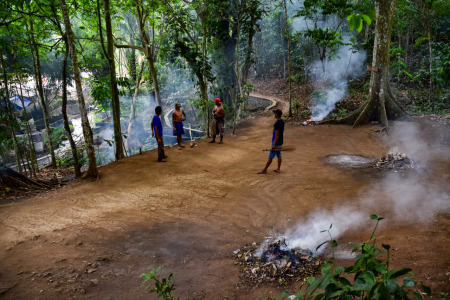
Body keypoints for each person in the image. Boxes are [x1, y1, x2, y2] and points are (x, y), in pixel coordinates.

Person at [257, 109, 285, 174]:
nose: (274, 114)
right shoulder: (282, 122)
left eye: (275, 113)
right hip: (280, 141)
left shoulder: (276, 124)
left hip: (276, 142)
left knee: (270, 156)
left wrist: (274, 144)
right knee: (279, 155)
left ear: (277, 115)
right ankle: (278, 169)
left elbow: (277, 135)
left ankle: (264, 170)